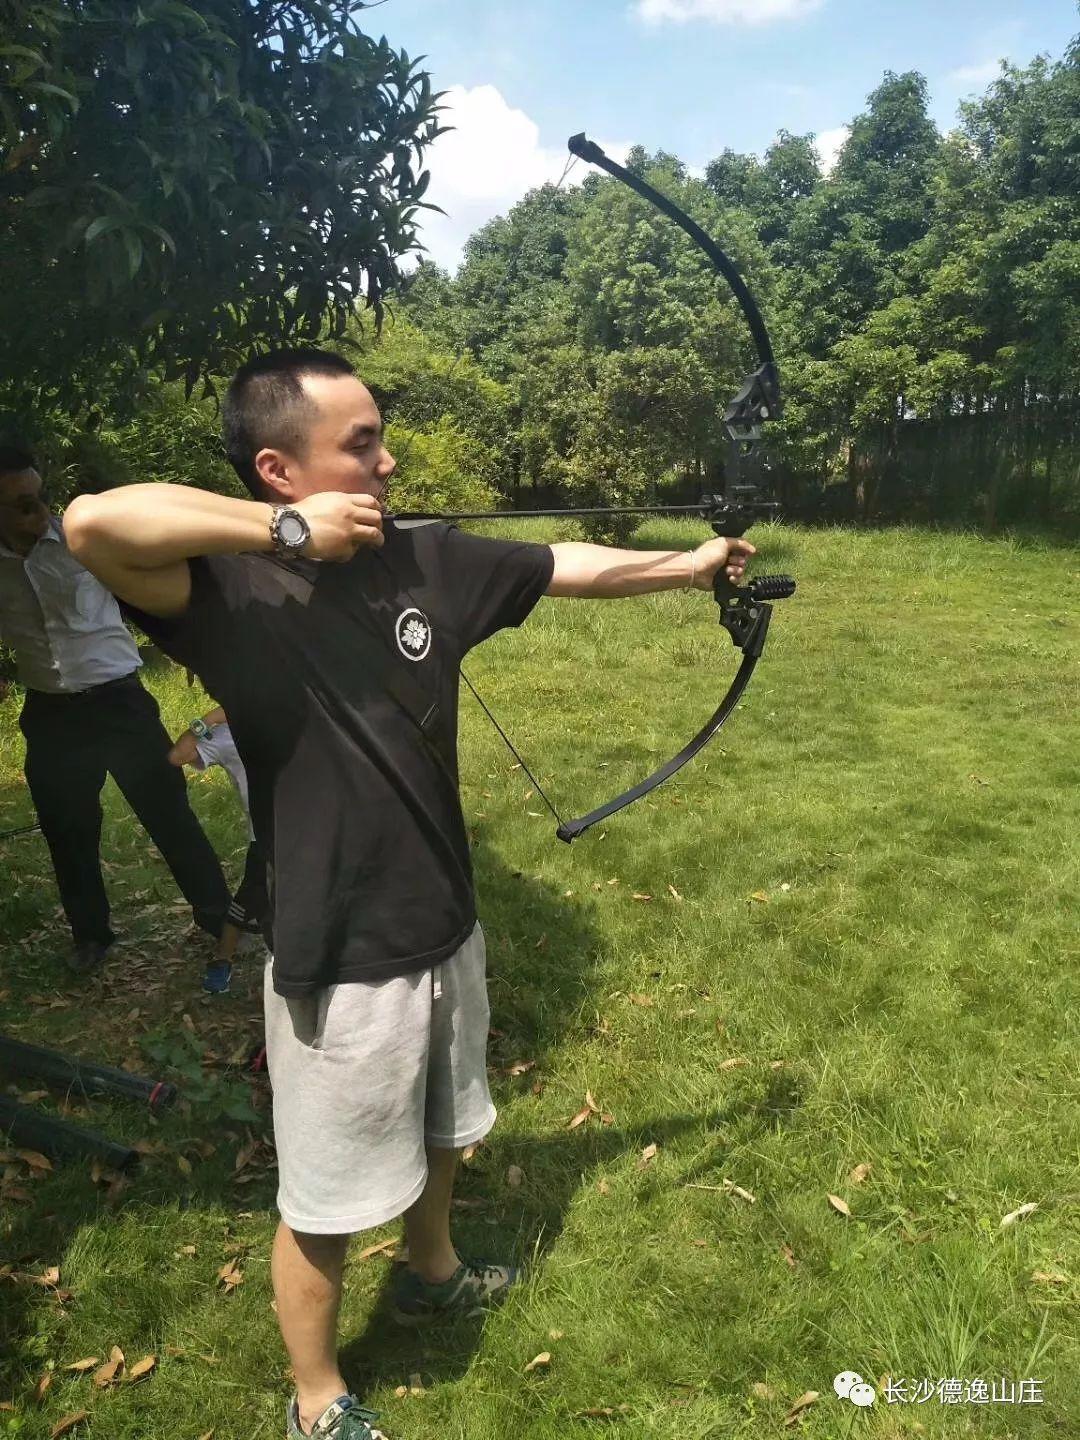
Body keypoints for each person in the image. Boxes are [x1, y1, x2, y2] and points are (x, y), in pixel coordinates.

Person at [63, 348, 755, 1440]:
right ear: (280, 471)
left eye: (383, 438)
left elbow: (558, 562)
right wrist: (289, 537)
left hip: (445, 916)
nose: (389, 462)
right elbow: (95, 522)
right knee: (328, 1203)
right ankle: (317, 1399)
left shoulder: (425, 561)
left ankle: (431, 1268)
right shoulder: (227, 589)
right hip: (340, 947)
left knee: (443, 1129)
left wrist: (690, 564)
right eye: (362, 444)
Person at [0, 445, 230, 975]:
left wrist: (194, 649)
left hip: (119, 702)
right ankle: (90, 936)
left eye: (41, 497)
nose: (39, 513)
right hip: (50, 714)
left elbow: (151, 595)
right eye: (22, 504)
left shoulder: (84, 543)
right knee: (68, 828)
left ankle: (219, 918)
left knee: (167, 813)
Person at [168, 700, 267, 994]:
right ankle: (222, 959)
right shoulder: (223, 734)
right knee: (250, 896)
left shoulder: (291, 711)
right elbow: (177, 756)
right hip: (266, 832)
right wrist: (213, 717)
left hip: (313, 820)